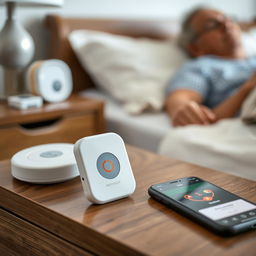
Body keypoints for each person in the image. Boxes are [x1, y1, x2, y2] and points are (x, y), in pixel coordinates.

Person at [166, 7, 256, 127]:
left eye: (229, 19)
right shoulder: (200, 67)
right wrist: (248, 87)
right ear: (194, 47)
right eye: (213, 25)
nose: (226, 25)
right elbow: (181, 102)